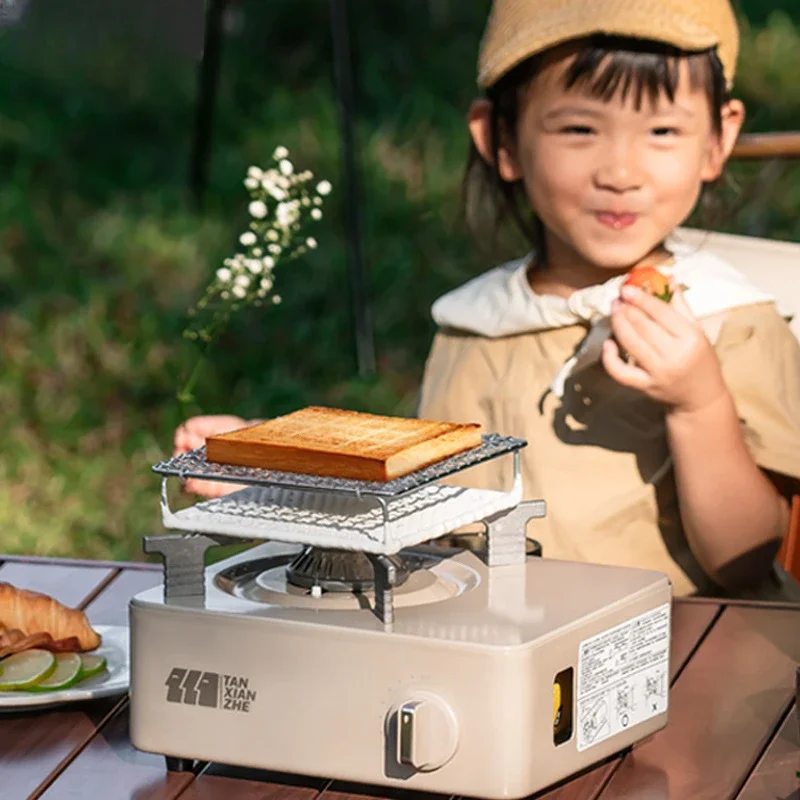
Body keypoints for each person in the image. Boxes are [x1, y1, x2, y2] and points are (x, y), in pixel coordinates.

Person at [173, 0, 800, 600]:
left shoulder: (727, 320)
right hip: (499, 649)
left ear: (719, 138)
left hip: (687, 647)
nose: (621, 171)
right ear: (501, 138)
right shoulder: (476, 326)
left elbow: (744, 556)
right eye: (580, 128)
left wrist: (698, 403)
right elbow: (426, 517)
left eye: (662, 130)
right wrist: (291, 475)